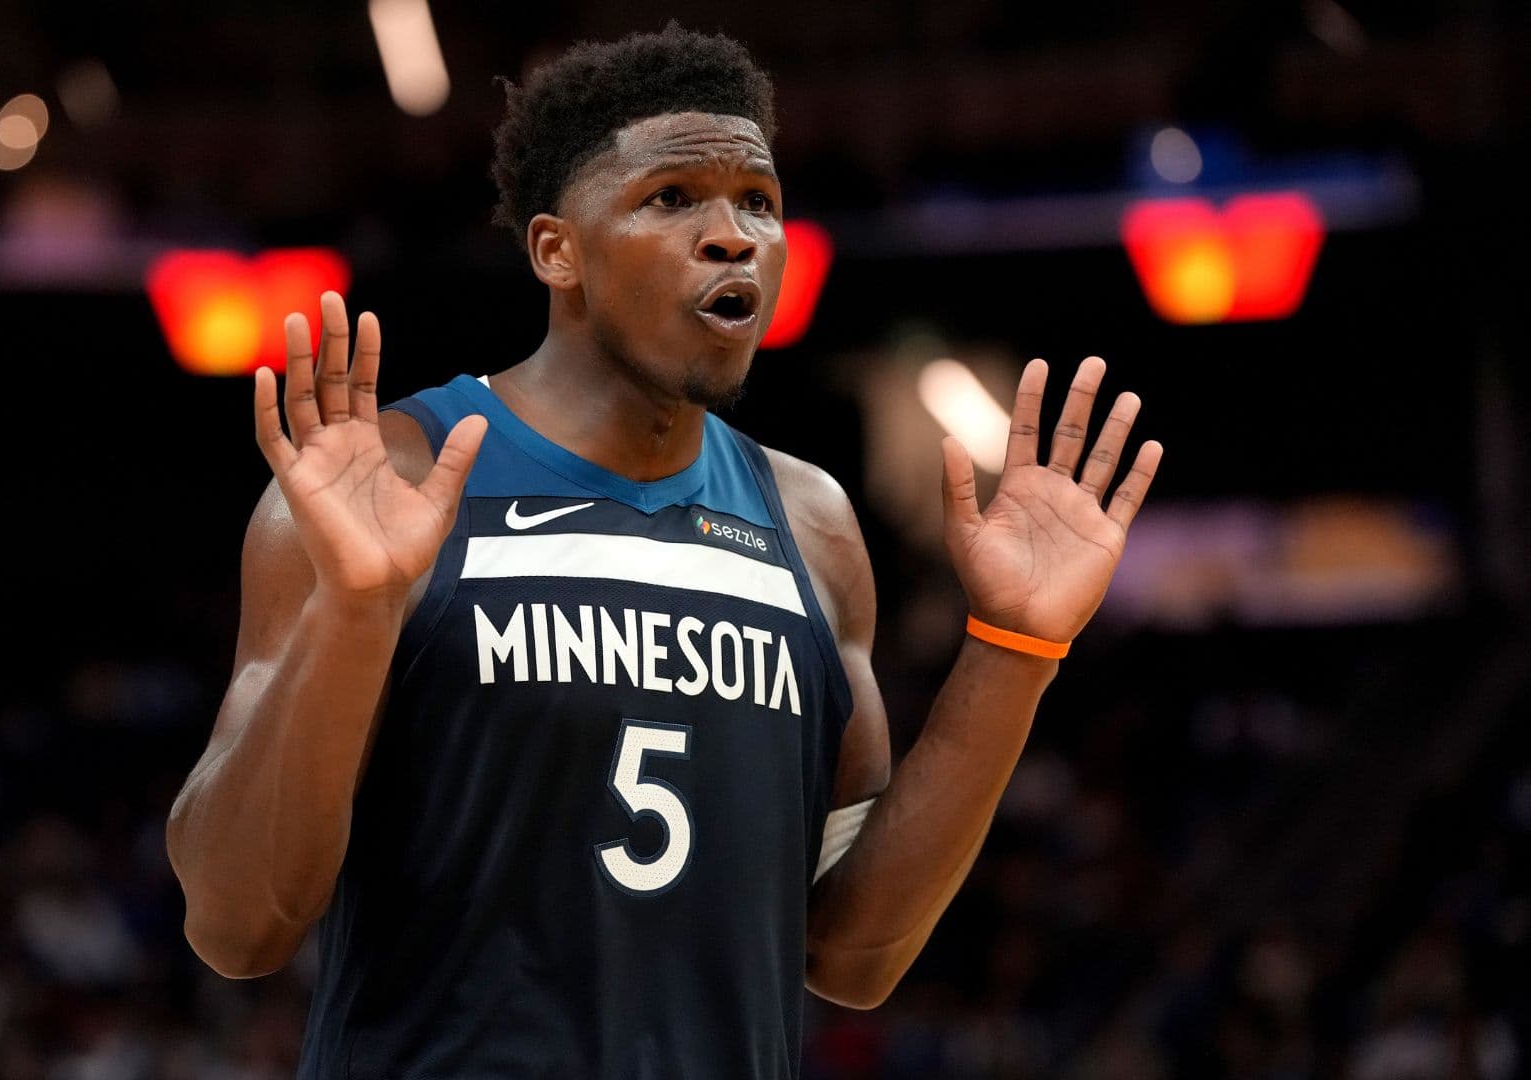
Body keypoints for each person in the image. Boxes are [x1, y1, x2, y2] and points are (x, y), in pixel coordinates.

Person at [166, 25, 1162, 1079]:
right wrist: (354, 610)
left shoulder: (812, 526)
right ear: (558, 251)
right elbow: (239, 927)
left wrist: (1013, 651)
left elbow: (853, 953)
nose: (733, 234)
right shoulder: (388, 483)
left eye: (759, 202)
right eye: (672, 197)